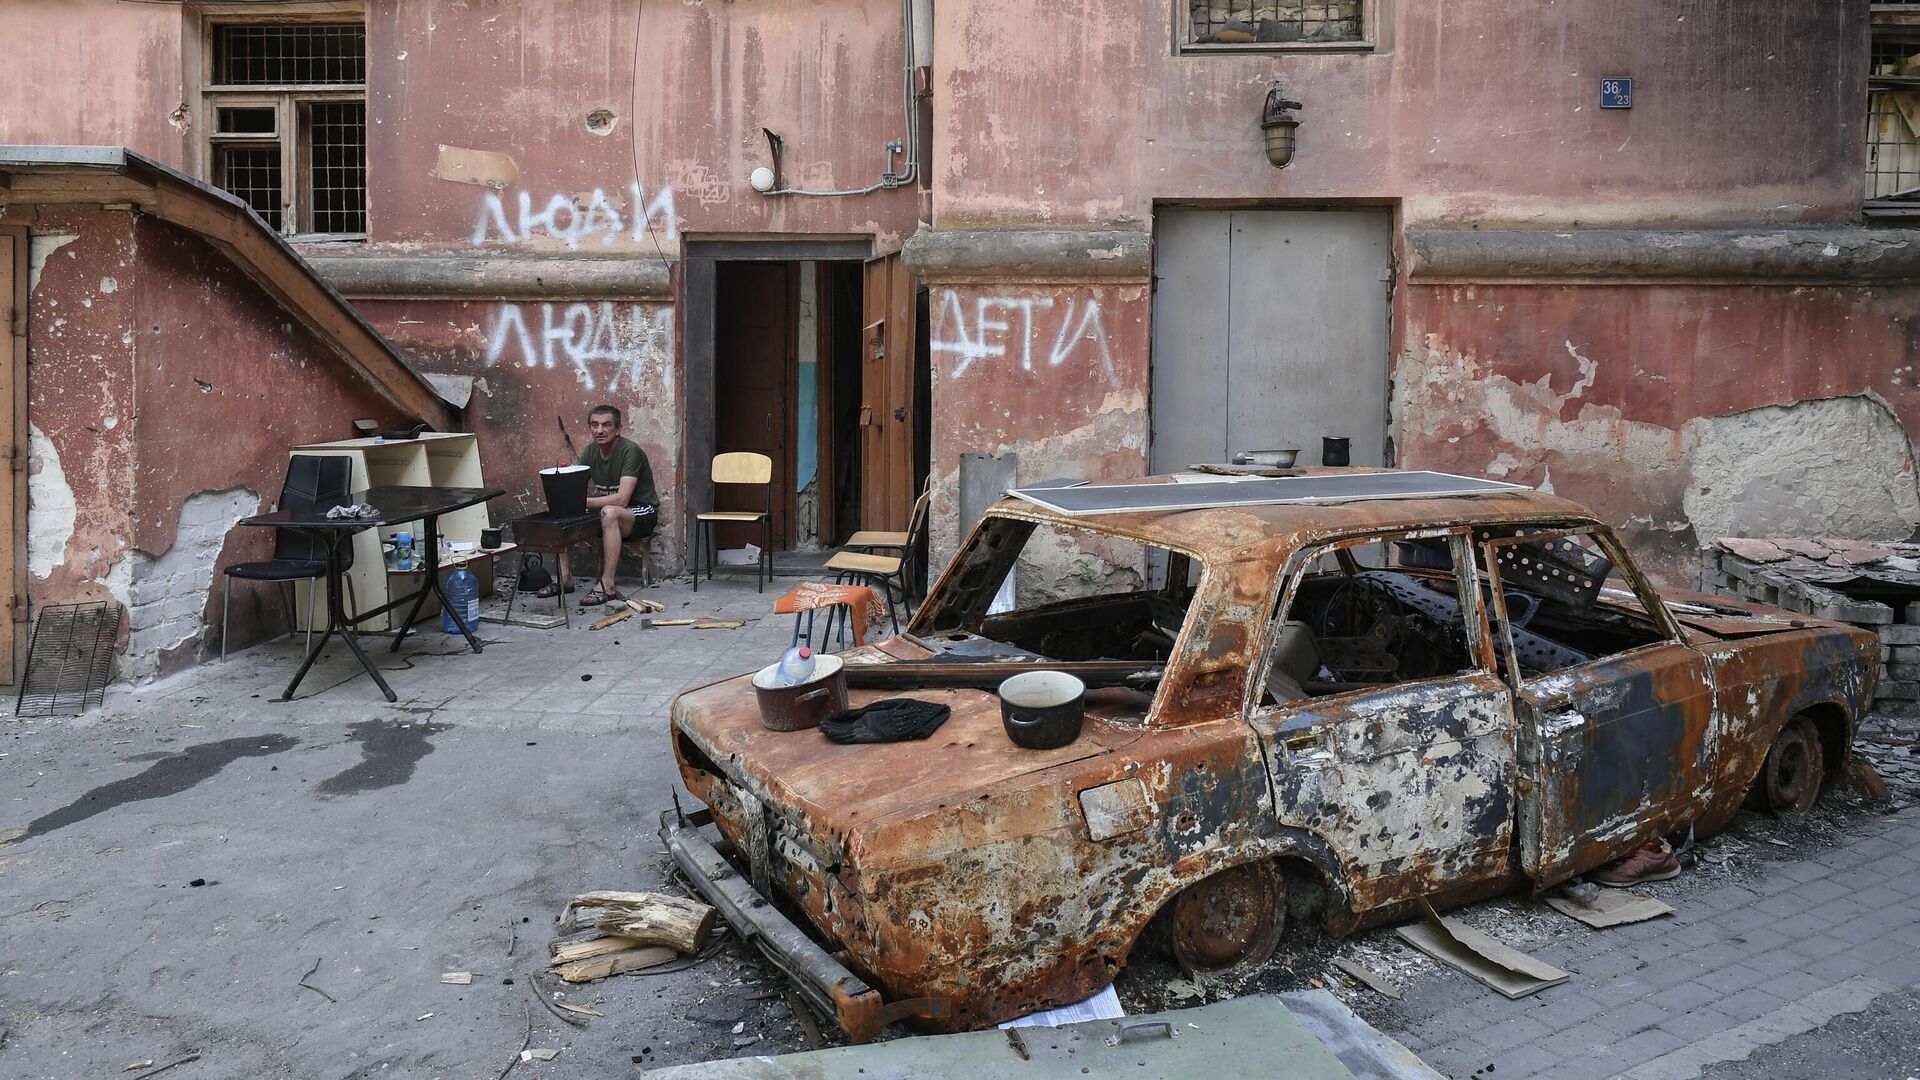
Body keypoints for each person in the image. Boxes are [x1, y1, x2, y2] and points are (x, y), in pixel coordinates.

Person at [545, 404, 657, 606]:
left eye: (606, 425)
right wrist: (563, 492)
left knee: (610, 512)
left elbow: (623, 499)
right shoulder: (591, 451)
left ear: (618, 428)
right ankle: (565, 578)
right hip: (609, 511)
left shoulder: (630, 451)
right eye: (594, 425)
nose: (599, 430)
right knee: (562, 511)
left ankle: (607, 585)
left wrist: (580, 502)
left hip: (640, 512)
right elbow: (575, 484)